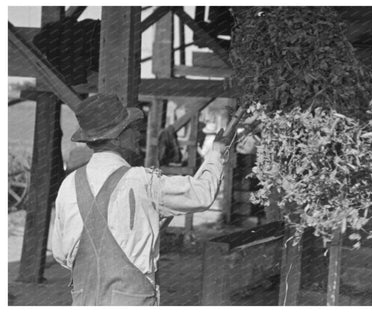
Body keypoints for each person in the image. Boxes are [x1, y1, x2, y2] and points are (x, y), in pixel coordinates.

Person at [51, 94, 235, 306]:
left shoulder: (69, 185)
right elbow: (201, 194)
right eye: (131, 127)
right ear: (115, 138)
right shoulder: (142, 181)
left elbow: (61, 254)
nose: (138, 133)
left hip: (83, 299)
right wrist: (217, 153)